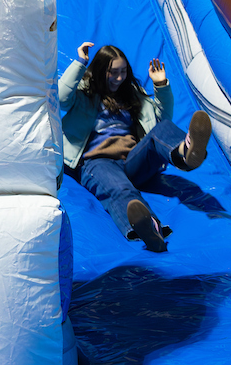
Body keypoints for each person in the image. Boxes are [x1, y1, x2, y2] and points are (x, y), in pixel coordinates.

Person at [60, 41, 211, 252]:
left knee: (163, 129)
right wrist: (80, 63)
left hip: (133, 160)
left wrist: (161, 85)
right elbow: (60, 98)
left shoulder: (132, 93)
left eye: (123, 72)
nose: (119, 78)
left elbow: (163, 120)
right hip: (97, 162)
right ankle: (151, 231)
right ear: (101, 71)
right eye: (113, 72)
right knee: (120, 189)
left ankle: (186, 154)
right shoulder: (84, 92)